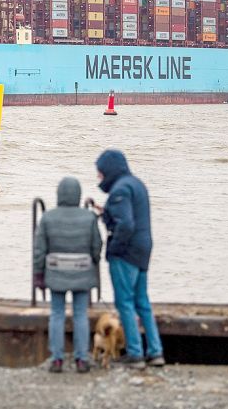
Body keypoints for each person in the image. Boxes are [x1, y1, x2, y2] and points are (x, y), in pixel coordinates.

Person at [94, 149, 164, 370]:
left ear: (110, 170)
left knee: (124, 302)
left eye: (101, 173)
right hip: (144, 249)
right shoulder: (136, 184)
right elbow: (129, 215)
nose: (99, 178)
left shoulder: (120, 190)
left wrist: (113, 248)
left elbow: (125, 224)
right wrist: (106, 213)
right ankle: (155, 352)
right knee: (142, 302)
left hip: (127, 252)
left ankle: (135, 353)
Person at [33, 177, 103, 373]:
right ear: (78, 195)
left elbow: (39, 249)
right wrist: (94, 261)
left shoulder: (48, 218)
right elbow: (97, 245)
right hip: (82, 270)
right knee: (81, 314)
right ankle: (81, 359)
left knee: (56, 314)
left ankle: (57, 359)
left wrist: (38, 273)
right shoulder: (89, 218)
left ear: (59, 194)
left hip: (56, 271)